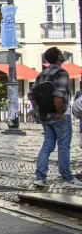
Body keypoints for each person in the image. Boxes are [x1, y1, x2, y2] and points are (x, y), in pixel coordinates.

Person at [34, 48, 82, 189]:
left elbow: (32, 95)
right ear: (59, 57)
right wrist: (60, 113)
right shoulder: (62, 73)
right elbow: (58, 95)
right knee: (64, 147)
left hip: (45, 116)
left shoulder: (41, 74)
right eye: (61, 53)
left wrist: (39, 110)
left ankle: (40, 178)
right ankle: (67, 179)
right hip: (60, 115)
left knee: (47, 145)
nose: (63, 54)